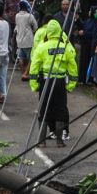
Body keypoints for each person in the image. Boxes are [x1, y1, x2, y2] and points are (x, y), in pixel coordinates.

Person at [30, 19, 78, 147]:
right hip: (60, 82)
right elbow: (73, 67)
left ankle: (42, 141)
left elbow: (34, 66)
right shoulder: (65, 47)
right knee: (60, 110)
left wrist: (34, 84)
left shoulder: (42, 47)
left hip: (46, 81)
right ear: (59, 31)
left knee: (44, 109)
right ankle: (59, 141)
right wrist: (71, 85)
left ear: (48, 32)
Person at [14, 0, 38, 80]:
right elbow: (35, 27)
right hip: (28, 41)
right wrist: (32, 31)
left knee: (21, 58)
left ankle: (23, 73)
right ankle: (25, 74)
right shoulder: (29, 16)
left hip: (19, 41)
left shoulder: (17, 16)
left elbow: (16, 27)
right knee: (31, 58)